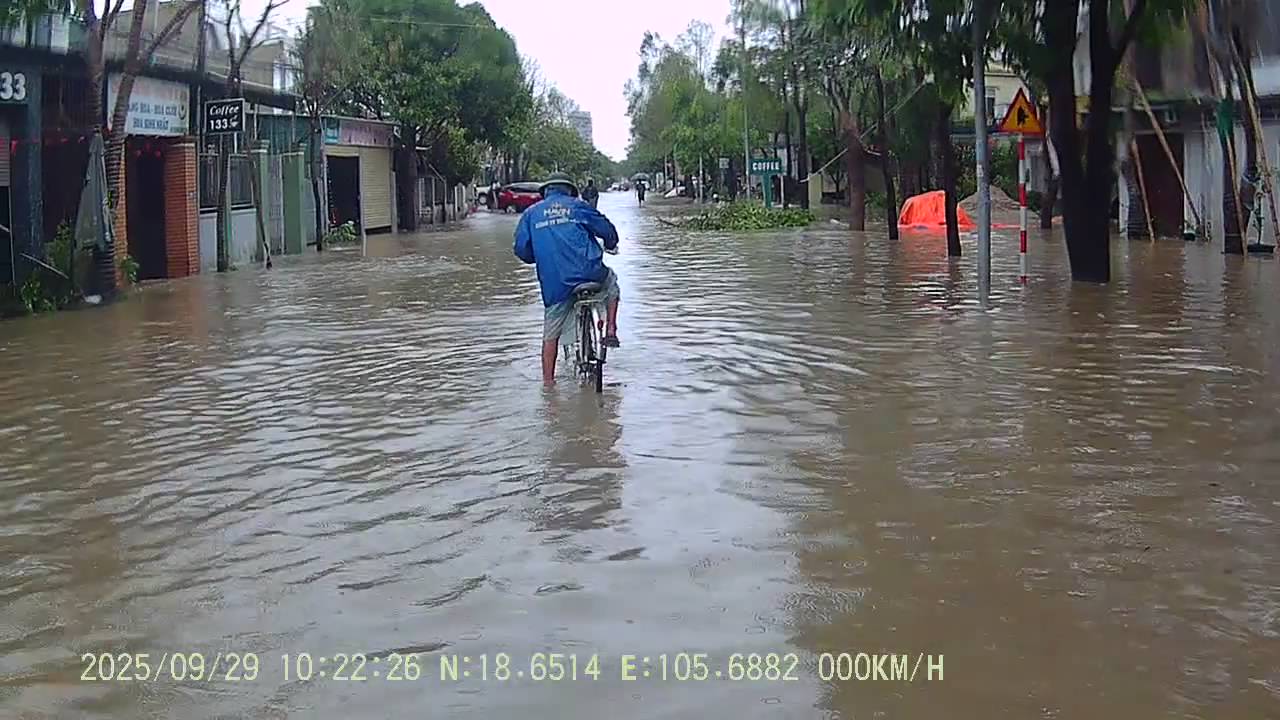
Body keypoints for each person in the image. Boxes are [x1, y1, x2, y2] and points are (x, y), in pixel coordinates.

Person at [513, 172, 621, 386]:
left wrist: (540, 255)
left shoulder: (531, 214)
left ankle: (548, 386)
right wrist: (610, 244)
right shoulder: (578, 206)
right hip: (591, 273)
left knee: (550, 334)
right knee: (612, 284)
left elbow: (521, 249)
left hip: (556, 284)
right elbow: (607, 229)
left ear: (545, 192)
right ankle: (610, 328)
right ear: (570, 190)